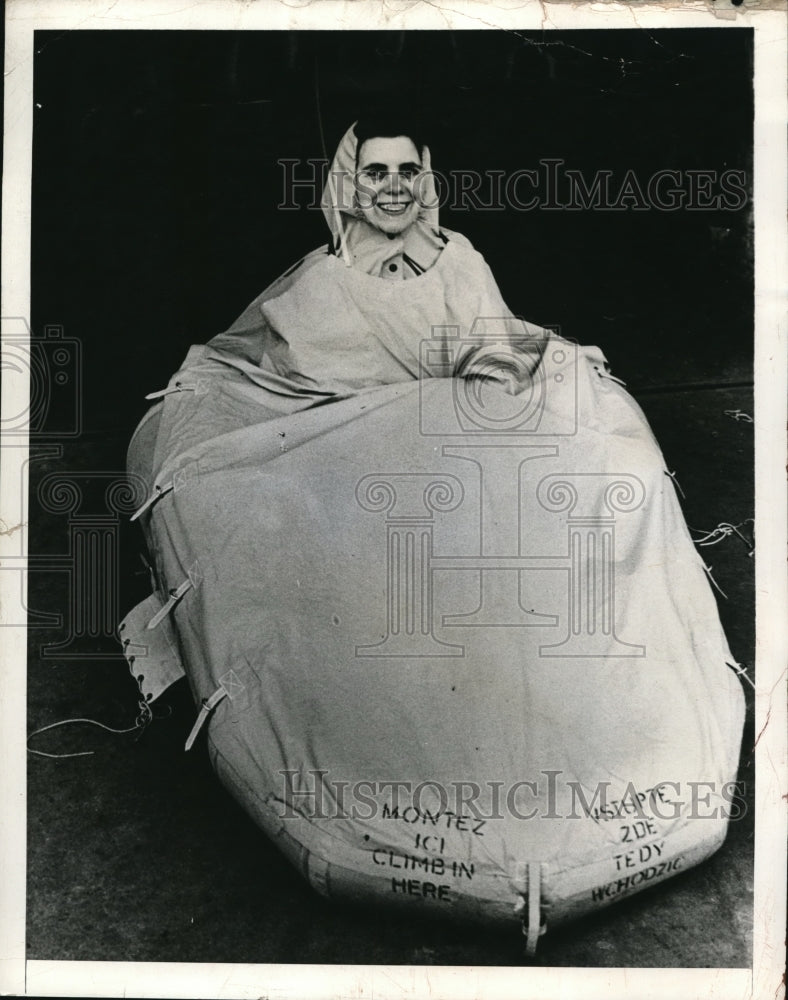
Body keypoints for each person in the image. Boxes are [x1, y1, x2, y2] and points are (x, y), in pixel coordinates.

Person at [124, 117, 745, 949]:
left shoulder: (461, 262)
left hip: (465, 450)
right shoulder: (320, 284)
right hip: (359, 458)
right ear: (349, 184)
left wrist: (461, 408)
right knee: (320, 540)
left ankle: (600, 758)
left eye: (407, 171)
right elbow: (312, 387)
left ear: (427, 178)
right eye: (373, 171)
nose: (392, 187)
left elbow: (490, 359)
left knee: (588, 487)